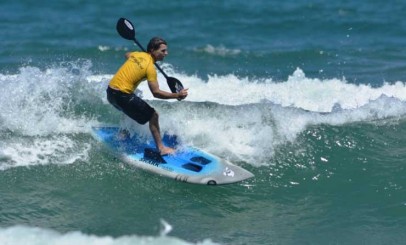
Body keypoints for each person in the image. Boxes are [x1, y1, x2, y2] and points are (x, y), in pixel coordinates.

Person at [106, 37, 188, 155]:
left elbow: (127, 54)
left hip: (110, 93)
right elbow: (156, 93)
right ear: (152, 50)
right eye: (163, 51)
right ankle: (161, 148)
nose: (166, 53)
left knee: (128, 107)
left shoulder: (136, 54)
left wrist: (140, 58)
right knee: (153, 115)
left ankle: (123, 133)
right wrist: (177, 95)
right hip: (122, 96)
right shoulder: (150, 68)